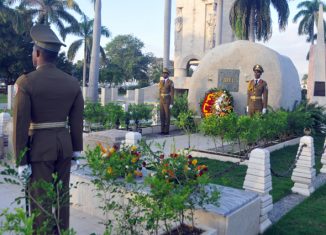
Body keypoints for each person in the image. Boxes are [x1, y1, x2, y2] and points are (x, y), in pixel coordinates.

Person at [13, 24, 84, 234]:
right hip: (64, 146)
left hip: (39, 149)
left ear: (37, 53)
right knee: (61, 198)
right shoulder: (72, 82)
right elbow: (77, 119)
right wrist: (77, 151)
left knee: (40, 201)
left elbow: (20, 124)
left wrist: (20, 161)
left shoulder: (26, 82)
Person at [159, 68, 174, 135]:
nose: (163, 74)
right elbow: (159, 91)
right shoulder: (161, 82)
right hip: (161, 100)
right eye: (163, 73)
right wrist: (159, 99)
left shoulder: (170, 82)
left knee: (167, 115)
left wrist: (171, 103)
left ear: (168, 74)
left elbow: (172, 93)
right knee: (162, 115)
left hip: (167, 99)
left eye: (165, 73)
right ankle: (162, 130)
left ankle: (166, 131)